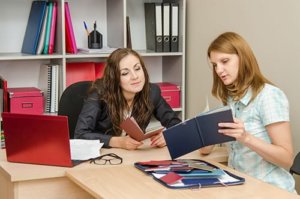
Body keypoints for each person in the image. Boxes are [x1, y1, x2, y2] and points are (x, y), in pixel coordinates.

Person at [201, 32, 296, 193]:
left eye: (224, 61)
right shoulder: (231, 98)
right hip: (240, 188)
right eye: (215, 65)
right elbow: (205, 151)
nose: (219, 70)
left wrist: (246, 138)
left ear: (242, 57)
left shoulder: (268, 96)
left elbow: (286, 159)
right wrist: (206, 135)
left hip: (271, 190)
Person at [74, 48, 181, 150]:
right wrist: (117, 142)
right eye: (125, 73)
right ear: (114, 79)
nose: (135, 76)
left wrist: (169, 136)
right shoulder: (99, 94)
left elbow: (176, 124)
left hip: (134, 156)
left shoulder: (152, 92)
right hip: (105, 156)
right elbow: (80, 135)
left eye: (137, 68)